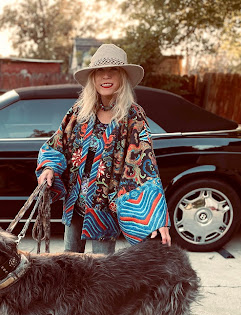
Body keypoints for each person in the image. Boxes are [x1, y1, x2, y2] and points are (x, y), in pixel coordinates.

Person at [36, 43, 171, 255]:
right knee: (69, 263)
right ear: (93, 77)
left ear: (122, 77)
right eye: (100, 71)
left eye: (113, 70)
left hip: (105, 209)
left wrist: (156, 218)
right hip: (75, 204)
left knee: (103, 268)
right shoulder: (79, 112)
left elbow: (144, 165)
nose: (106, 76)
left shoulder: (133, 116)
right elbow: (57, 144)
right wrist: (49, 168)